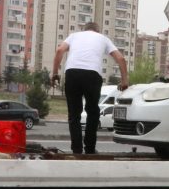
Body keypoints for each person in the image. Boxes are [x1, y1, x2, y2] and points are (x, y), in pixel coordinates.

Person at [51, 22, 129, 154]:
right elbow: (120, 58)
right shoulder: (103, 38)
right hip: (92, 75)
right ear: (97, 31)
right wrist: (124, 81)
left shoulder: (74, 36)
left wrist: (54, 73)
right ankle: (90, 148)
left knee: (74, 114)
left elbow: (59, 50)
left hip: (72, 73)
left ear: (84, 30)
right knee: (93, 112)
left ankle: (76, 149)